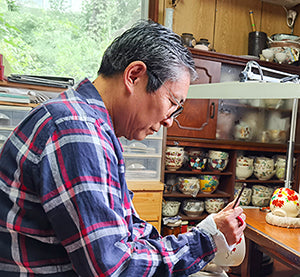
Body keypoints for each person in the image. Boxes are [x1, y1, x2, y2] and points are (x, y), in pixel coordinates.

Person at [0, 20, 246, 276]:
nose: (170, 120)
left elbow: (128, 229)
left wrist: (202, 236)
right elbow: (114, 267)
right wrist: (204, 241)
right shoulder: (76, 131)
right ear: (134, 76)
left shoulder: (92, 125)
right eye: (173, 102)